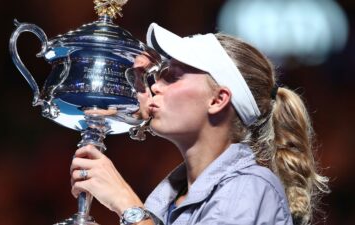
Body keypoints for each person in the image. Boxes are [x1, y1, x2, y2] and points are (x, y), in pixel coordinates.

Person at [70, 23, 329, 225]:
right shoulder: (170, 198)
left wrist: (127, 205)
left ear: (218, 100)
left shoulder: (250, 186)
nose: (155, 87)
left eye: (171, 77)